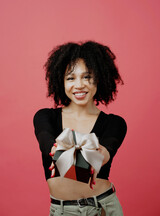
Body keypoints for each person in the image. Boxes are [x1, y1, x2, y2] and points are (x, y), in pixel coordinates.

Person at [33, 41, 127, 216]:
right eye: (70, 78)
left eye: (87, 76)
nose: (79, 85)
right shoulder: (45, 117)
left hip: (103, 208)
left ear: (99, 78)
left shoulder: (115, 123)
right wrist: (88, 161)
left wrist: (62, 157)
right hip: (62, 210)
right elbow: (48, 148)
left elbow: (102, 157)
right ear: (60, 81)